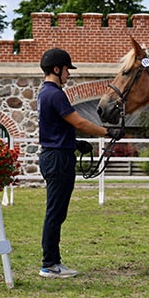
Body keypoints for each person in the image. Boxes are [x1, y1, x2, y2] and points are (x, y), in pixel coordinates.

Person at [37, 48, 121, 278]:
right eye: (66, 70)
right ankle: (50, 263)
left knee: (57, 211)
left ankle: (52, 261)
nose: (68, 74)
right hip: (58, 159)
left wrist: (74, 144)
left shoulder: (44, 93)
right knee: (55, 212)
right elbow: (79, 122)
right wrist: (106, 132)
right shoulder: (55, 94)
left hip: (56, 153)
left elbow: (56, 127)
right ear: (56, 69)